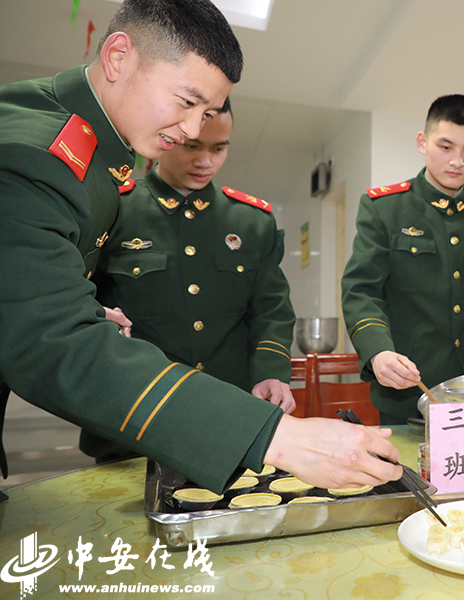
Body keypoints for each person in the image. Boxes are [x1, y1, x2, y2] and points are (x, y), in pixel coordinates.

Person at [0, 0, 401, 495]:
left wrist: (83, 308)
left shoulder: (89, 155)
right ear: (118, 56)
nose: (193, 131)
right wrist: (273, 436)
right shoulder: (35, 155)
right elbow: (51, 340)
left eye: (207, 115)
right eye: (185, 102)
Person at [85, 99, 296, 463]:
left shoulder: (251, 221)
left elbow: (271, 310)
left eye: (219, 148)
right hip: (134, 411)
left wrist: (272, 373)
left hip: (228, 410)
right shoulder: (115, 207)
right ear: (166, 138)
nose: (205, 161)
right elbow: (80, 295)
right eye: (193, 146)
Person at [341, 94, 464, 424]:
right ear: (422, 142)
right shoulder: (384, 208)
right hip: (408, 387)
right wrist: (378, 351)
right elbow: (361, 291)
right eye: (446, 147)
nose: (457, 161)